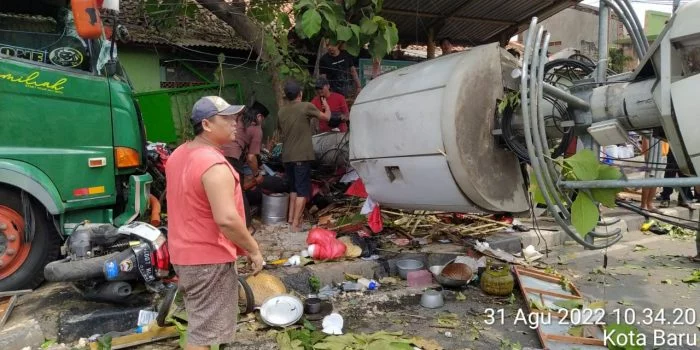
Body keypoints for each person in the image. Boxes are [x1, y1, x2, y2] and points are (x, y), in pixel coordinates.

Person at [166, 96, 264, 350]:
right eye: (227, 118)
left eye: (235, 117)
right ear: (207, 124)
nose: (235, 123)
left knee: (201, 326)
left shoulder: (179, 154)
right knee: (204, 335)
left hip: (183, 254)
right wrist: (253, 250)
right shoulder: (214, 164)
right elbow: (227, 219)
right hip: (207, 259)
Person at [277, 80, 330, 232]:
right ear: (300, 94)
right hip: (301, 156)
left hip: (287, 156)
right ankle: (295, 225)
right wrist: (327, 107)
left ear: (286, 96)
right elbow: (326, 118)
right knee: (302, 191)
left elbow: (281, 130)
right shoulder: (306, 106)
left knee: (293, 188)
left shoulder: (281, 111)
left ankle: (291, 219)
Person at [222, 101, 270, 231]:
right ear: (259, 116)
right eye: (263, 119)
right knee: (238, 191)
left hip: (216, 153)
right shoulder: (256, 128)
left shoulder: (237, 117)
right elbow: (251, 157)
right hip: (232, 157)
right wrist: (256, 174)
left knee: (222, 191)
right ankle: (246, 226)